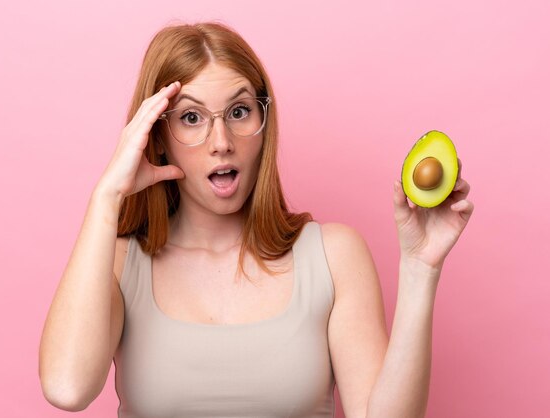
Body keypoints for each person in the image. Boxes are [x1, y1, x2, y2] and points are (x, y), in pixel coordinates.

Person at [38, 21, 474, 418]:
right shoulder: (117, 265)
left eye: (240, 111)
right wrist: (106, 196)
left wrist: (421, 268)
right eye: (191, 118)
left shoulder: (333, 256)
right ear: (156, 137)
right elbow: (67, 387)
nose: (221, 142)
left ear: (265, 123)